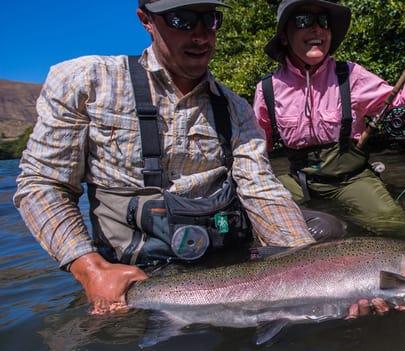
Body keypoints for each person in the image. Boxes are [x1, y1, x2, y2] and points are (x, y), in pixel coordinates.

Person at [13, 0, 352, 315]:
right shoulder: (85, 82)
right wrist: (89, 268)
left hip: (221, 255)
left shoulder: (236, 109)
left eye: (210, 19)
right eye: (182, 20)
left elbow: (262, 190)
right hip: (137, 269)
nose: (201, 35)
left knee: (325, 229)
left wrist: (314, 269)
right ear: (146, 19)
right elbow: (42, 183)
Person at [253, 0, 405, 232]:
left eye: (323, 21)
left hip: (351, 179)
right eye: (303, 20)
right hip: (299, 181)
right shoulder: (266, 89)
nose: (317, 28)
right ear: (285, 36)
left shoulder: (351, 75)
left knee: (396, 228)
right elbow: (256, 154)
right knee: (259, 222)